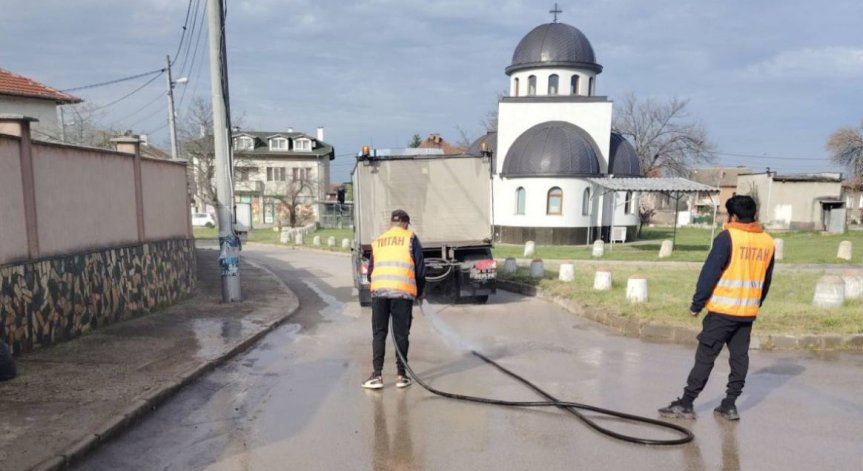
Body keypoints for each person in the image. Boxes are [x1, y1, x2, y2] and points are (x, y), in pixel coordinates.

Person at [659, 195, 774, 421]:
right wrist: (755, 304)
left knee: (705, 357)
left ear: (733, 216)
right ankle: (729, 405)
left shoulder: (727, 237)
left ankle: (686, 403)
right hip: (747, 313)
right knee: (739, 359)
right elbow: (766, 281)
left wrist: (696, 304)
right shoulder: (767, 242)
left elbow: (709, 274)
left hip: (722, 312)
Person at [362, 209, 425, 390]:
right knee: (401, 335)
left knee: (379, 333)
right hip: (402, 294)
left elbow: (370, 271)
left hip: (379, 293)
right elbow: (420, 271)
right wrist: (419, 293)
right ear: (405, 224)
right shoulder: (411, 238)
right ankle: (401, 376)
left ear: (391, 223)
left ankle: (376, 375)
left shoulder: (379, 240)